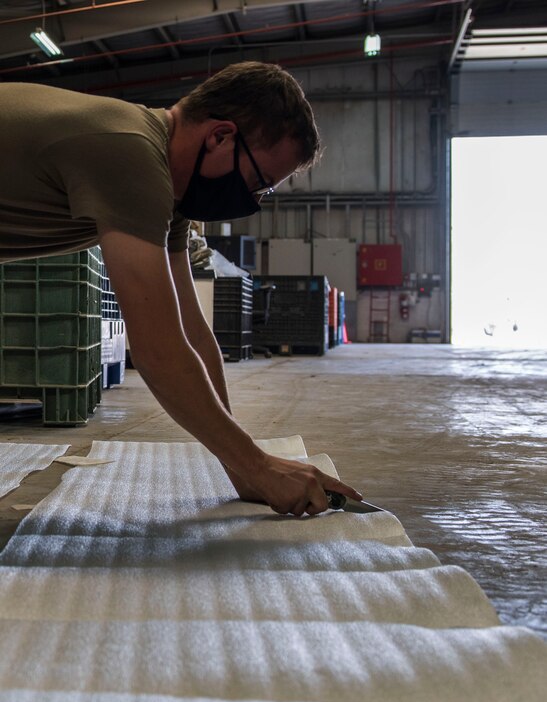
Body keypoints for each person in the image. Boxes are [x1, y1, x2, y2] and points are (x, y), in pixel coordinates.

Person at [0, 61, 362, 516]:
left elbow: (192, 335)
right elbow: (159, 352)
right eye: (258, 183)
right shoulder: (130, 153)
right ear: (220, 136)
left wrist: (243, 467)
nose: (251, 200)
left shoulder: (167, 191)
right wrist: (258, 466)